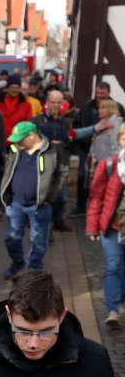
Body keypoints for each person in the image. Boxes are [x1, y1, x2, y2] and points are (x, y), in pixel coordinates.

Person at [0, 122, 69, 279]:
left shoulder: (52, 150)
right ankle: (17, 263)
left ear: (31, 136)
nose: (16, 142)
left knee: (38, 239)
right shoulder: (15, 150)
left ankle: (34, 268)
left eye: (20, 139)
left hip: (39, 205)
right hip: (15, 203)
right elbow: (8, 170)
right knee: (12, 238)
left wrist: (50, 196)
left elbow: (62, 173)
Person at [86, 125, 125, 327]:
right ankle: (112, 309)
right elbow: (96, 197)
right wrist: (92, 226)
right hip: (112, 226)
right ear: (120, 140)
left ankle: (121, 298)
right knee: (113, 265)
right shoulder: (109, 165)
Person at [73, 83, 125, 216]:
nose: (99, 111)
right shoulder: (87, 108)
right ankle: (83, 208)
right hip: (90, 155)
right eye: (97, 93)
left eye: (102, 108)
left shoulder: (114, 123)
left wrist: (108, 167)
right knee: (85, 180)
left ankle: (101, 217)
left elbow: (116, 147)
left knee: (101, 192)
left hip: (105, 165)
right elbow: (79, 127)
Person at [32, 89, 73, 233]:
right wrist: (49, 143)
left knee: (61, 197)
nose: (56, 105)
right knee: (44, 197)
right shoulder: (37, 121)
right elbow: (31, 142)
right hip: (43, 163)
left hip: (61, 164)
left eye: (59, 103)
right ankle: (44, 229)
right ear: (47, 103)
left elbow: (70, 142)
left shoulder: (66, 122)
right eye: (53, 102)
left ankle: (57, 221)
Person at [0, 74, 35, 140]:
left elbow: (28, 125)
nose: (15, 90)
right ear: (7, 88)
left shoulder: (26, 105)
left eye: (17, 88)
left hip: (18, 141)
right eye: (12, 87)